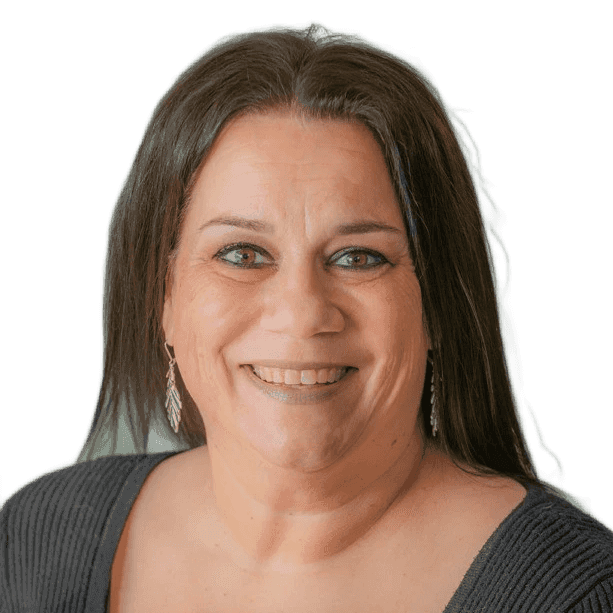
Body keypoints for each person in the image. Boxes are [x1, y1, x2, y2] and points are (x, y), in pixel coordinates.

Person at [2, 22, 612, 613]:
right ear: (163, 297)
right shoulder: (33, 546)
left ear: (437, 304)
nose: (301, 313)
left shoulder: (577, 598)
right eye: (242, 254)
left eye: (358, 257)